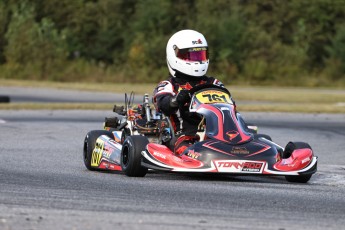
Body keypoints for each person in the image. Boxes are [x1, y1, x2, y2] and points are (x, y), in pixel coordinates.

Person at [153, 29, 226, 155]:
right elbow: (162, 104)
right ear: (174, 55)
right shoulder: (169, 85)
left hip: (218, 135)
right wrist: (176, 100)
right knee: (189, 150)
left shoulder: (214, 83)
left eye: (200, 55)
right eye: (191, 56)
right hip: (185, 137)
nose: (197, 61)